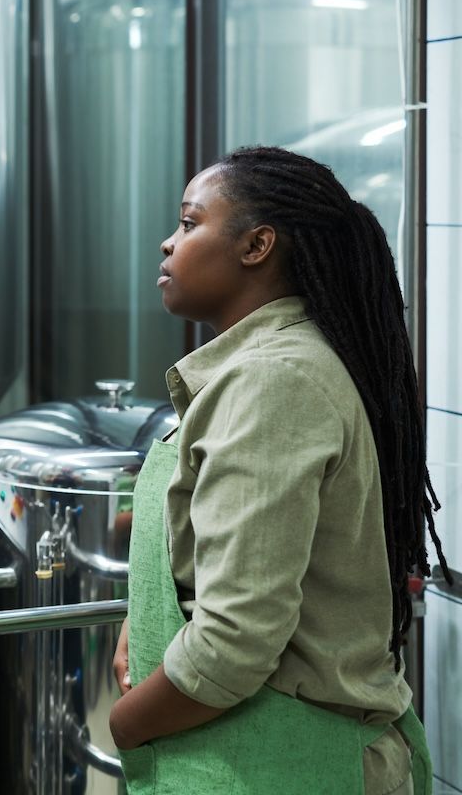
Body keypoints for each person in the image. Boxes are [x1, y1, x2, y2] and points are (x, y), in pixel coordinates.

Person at [108, 146, 451, 794]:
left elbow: (235, 643)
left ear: (257, 245)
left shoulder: (274, 381)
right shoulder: (266, 366)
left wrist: (125, 724)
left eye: (188, 223)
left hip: (290, 764)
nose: (166, 243)